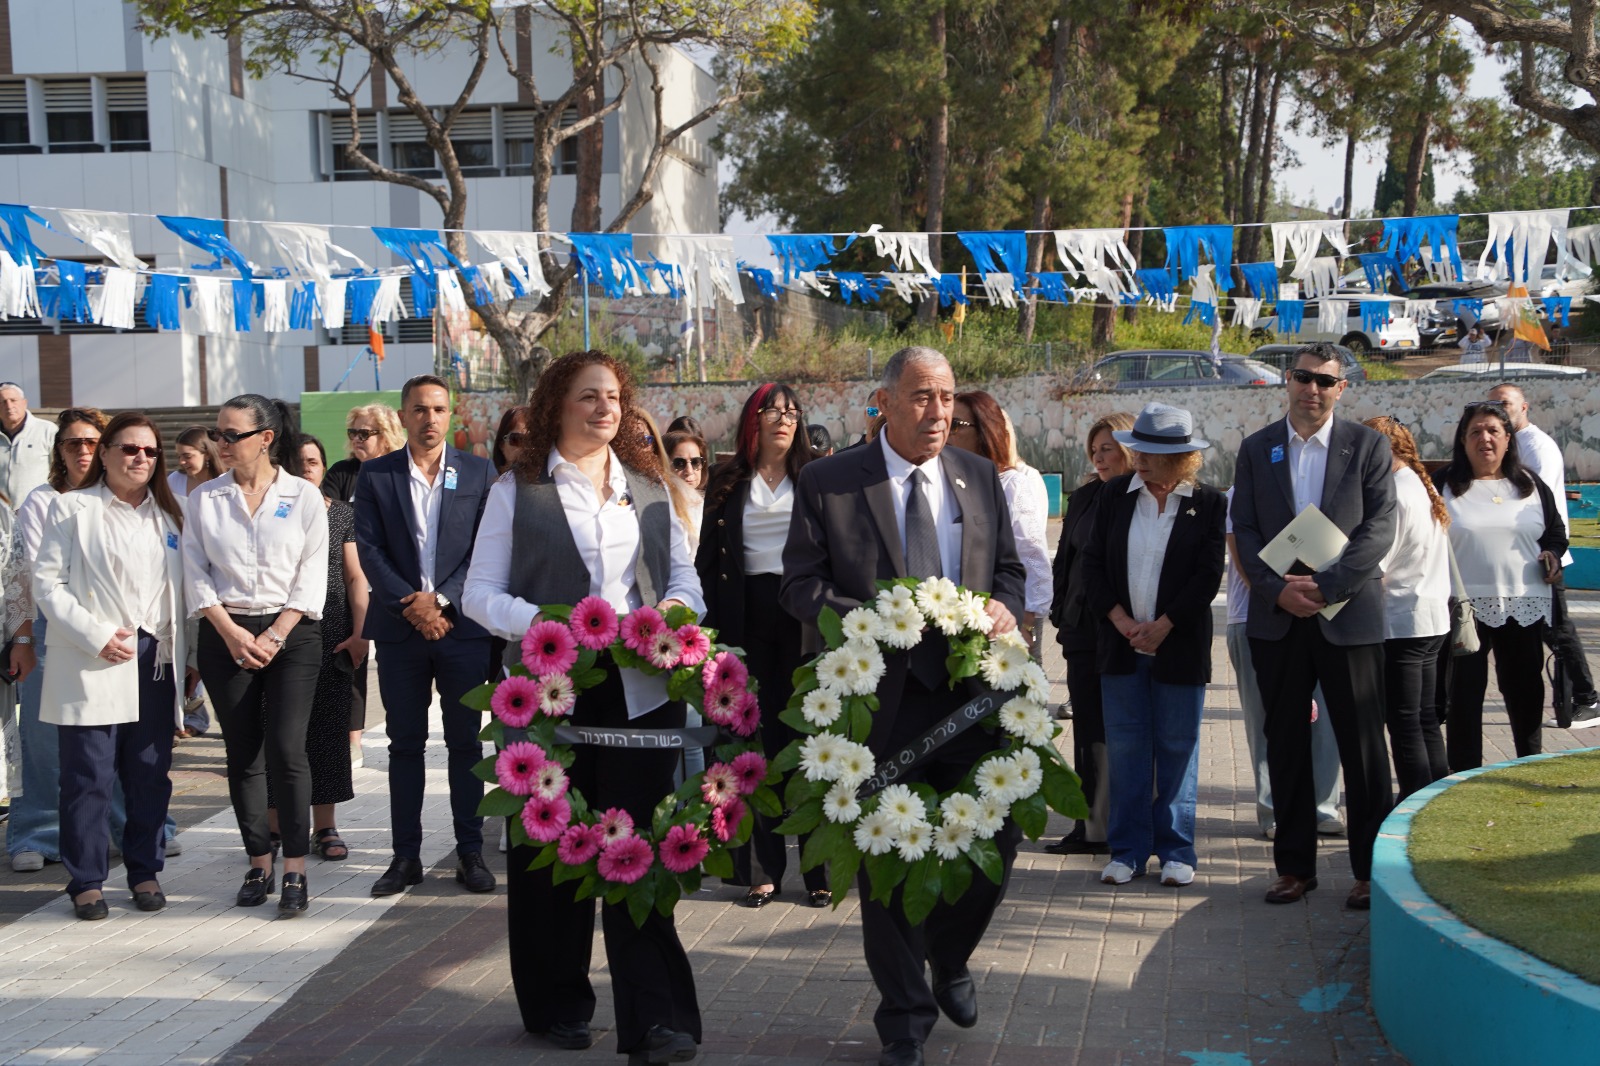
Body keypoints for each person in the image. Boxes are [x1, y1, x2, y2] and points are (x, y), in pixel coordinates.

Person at [781, 346, 1026, 1066]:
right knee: (885, 858)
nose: (938, 413)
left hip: (972, 700)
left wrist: (1005, 610)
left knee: (998, 844)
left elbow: (1008, 569)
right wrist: (880, 619)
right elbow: (800, 585)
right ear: (882, 402)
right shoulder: (830, 482)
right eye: (922, 397)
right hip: (876, 707)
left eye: (947, 398)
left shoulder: (979, 476)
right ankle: (904, 1020)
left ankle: (949, 958)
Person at [463, 349, 705, 1063]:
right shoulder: (519, 489)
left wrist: (670, 613)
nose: (605, 408)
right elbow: (478, 594)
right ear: (554, 407)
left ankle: (656, 1021)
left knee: (637, 851)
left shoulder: (651, 488)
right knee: (551, 854)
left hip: (642, 694)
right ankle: (556, 1001)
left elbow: (685, 580)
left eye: (613, 397)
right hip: (550, 694)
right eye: (587, 397)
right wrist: (548, 626)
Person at [1231, 342, 1396, 912]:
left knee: (1364, 748)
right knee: (1286, 744)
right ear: (1287, 380)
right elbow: (1245, 532)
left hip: (1348, 618)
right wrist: (1279, 590)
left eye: (1326, 381)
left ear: (1342, 388)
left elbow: (1380, 529)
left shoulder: (1369, 445)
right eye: (1304, 378)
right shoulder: (1256, 449)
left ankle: (1370, 871)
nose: (1313, 389)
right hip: (1278, 619)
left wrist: (1327, 588)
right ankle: (1294, 867)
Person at [34, 414, 193, 919]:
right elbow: (46, 585)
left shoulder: (171, 514)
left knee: (149, 773)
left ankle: (144, 870)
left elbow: (182, 592)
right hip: (92, 657)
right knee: (89, 776)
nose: (140, 459)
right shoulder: (72, 508)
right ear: (104, 454)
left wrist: (189, 661)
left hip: (156, 659)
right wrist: (96, 635)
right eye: (128, 449)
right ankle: (86, 879)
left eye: (149, 452)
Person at [353, 375, 496, 898]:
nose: (429, 418)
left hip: (461, 628)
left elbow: (487, 548)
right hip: (399, 629)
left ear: (450, 413)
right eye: (419, 409)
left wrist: (441, 601)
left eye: (438, 408)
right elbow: (369, 548)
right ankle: (405, 857)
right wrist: (413, 604)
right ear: (404, 414)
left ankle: (470, 852)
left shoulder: (480, 472)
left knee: (464, 744)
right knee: (404, 746)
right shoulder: (376, 476)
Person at [185, 395, 328, 915]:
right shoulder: (205, 498)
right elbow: (195, 573)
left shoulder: (303, 496)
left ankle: (294, 867)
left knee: (287, 750)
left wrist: (275, 634)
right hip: (226, 632)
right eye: (217, 434)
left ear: (265, 438)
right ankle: (258, 861)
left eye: (231, 435)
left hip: (292, 634)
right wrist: (229, 631)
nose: (220, 444)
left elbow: (313, 572)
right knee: (242, 753)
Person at [1079, 404, 1225, 888]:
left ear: (1182, 458)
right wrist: (1121, 621)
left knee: (1177, 746)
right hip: (1120, 645)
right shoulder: (1115, 495)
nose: (1139, 460)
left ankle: (1177, 851)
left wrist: (1164, 625)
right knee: (1126, 747)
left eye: (1153, 454)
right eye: (1137, 450)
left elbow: (1207, 576)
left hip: (1178, 646)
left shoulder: (1207, 503)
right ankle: (1128, 850)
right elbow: (1092, 565)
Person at [696, 383, 825, 908]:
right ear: (754, 419)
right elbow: (706, 560)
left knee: (808, 742)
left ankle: (817, 869)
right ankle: (761, 869)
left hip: (802, 618)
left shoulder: (815, 476)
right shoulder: (727, 481)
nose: (784, 419)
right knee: (753, 748)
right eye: (773, 410)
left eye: (793, 412)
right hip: (743, 618)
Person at [1439, 401, 1567, 771]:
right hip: (1463, 608)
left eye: (1494, 430)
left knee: (1525, 689)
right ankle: (1463, 773)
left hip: (1523, 602)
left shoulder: (1529, 485)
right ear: (1463, 440)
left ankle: (1529, 764)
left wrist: (1552, 556)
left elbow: (1556, 534)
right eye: (1475, 431)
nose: (1485, 439)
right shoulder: (1443, 485)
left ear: (1508, 439)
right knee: (1464, 693)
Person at [8, 408, 105, 872]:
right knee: (43, 739)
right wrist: (22, 638)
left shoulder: (124, 497)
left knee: (118, 733)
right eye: (73, 443)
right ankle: (36, 833)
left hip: (116, 630)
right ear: (58, 451)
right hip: (50, 628)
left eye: (91, 442)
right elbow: (29, 578)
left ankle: (131, 828)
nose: (83, 451)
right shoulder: (40, 501)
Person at [267, 435, 368, 861]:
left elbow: (356, 578)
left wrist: (361, 633)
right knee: (277, 733)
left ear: (324, 467)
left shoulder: (342, 515)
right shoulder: (270, 513)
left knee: (326, 731)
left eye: (313, 461)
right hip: (277, 634)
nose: (306, 469)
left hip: (332, 636)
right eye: (298, 462)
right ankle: (275, 829)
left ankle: (325, 827)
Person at [1225, 487, 1345, 839]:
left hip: (1320, 614)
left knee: (1324, 717)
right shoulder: (1240, 492)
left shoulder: (1325, 486)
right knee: (1266, 719)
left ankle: (1323, 808)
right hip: (1255, 617)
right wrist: (1278, 599)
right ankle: (1274, 810)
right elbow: (1240, 554)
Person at [1486, 382, 1599, 729]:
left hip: (1542, 558)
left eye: (1505, 404)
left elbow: (1533, 505)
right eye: (1493, 405)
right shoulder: (1516, 444)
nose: (1500, 411)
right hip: (1521, 558)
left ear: (1525, 407)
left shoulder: (1538, 448)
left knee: (1559, 632)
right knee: (1545, 632)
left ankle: (1586, 700)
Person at [1045, 413, 1132, 856]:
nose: (1099, 458)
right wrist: (1060, 611)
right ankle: (1091, 825)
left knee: (1124, 729)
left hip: (1124, 631)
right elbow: (1064, 560)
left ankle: (1123, 823)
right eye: (1094, 450)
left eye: (1108, 449)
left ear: (1130, 451)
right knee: (1089, 730)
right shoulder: (1083, 497)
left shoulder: (1139, 497)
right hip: (1080, 629)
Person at [1363, 417, 1452, 798]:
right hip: (1431, 616)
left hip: (1403, 619)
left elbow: (1377, 564)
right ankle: (1432, 798)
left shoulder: (1395, 493)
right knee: (1425, 718)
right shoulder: (1420, 483)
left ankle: (1414, 798)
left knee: (1404, 721)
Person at [948, 392, 1050, 657]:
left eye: (956, 425)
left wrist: (1025, 621)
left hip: (1006, 620)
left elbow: (1033, 559)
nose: (946, 432)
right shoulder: (945, 482)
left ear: (984, 431)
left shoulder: (1010, 485)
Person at [322, 403, 405, 503]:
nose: (356, 439)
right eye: (353, 433)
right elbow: (324, 510)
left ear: (386, 438)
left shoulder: (403, 473)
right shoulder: (340, 472)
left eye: (364, 434)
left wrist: (340, 509)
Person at [0, 382, 57, 510]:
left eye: (13, 400)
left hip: (36, 513)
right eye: (2, 402)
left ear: (24, 403)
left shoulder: (47, 431)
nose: (8, 406)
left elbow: (60, 472)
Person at [664, 424, 708, 554]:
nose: (689, 471)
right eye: (679, 463)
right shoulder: (659, 506)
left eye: (695, 462)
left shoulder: (705, 505)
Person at [168, 426, 223, 500]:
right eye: (179, 456)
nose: (181, 462)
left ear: (207, 454)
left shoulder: (226, 481)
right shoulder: (175, 480)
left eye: (188, 456)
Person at [491, 406, 529, 476]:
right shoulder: (495, 486)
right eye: (517, 439)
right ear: (502, 445)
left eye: (534, 442)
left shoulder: (553, 484)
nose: (526, 448)